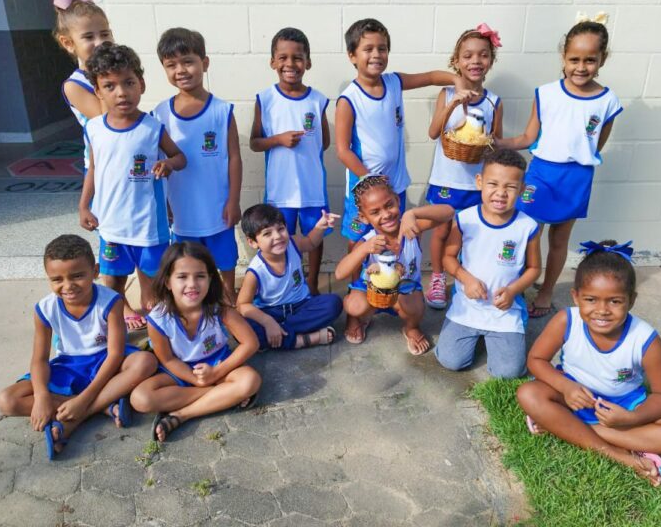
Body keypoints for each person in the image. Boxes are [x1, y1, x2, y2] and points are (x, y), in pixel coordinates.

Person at [517, 241, 661, 486]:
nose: (601, 310)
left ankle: (562, 426)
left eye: (614, 301)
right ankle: (619, 454)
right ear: (576, 297)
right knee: (529, 393)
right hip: (573, 396)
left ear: (631, 300)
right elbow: (536, 360)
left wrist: (631, 419)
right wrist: (565, 387)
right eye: (591, 299)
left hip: (625, 405)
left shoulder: (645, 339)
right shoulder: (566, 320)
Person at [497, 14, 622, 319]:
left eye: (590, 60)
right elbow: (529, 136)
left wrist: (578, 159)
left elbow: (595, 144)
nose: (581, 67)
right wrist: (497, 143)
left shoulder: (607, 101)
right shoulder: (546, 93)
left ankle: (546, 289)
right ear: (563, 57)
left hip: (576, 178)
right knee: (526, 232)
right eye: (574, 59)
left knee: (559, 240)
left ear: (602, 59)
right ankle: (512, 284)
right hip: (541, 173)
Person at [0, 235, 158, 460]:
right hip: (68, 365)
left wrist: (83, 401)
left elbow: (115, 354)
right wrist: (42, 397)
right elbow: (39, 360)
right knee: (7, 400)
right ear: (48, 278)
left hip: (104, 361)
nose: (68, 286)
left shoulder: (111, 301)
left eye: (78, 276)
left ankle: (78, 416)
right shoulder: (44, 309)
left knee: (145, 361)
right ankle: (104, 407)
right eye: (57, 279)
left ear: (95, 271)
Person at [335, 18, 465, 271]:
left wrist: (456, 80)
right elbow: (343, 150)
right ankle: (357, 286)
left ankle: (393, 280)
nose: (376, 55)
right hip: (364, 188)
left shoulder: (394, 82)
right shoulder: (348, 100)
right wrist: (370, 179)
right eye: (368, 49)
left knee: (396, 235)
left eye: (382, 48)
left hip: (395, 183)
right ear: (352, 56)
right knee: (358, 239)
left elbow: (429, 77)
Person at [79, 44, 187, 331]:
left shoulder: (152, 128)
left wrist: (168, 165)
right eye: (110, 86)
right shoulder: (94, 130)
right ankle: (114, 330)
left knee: (154, 288)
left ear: (141, 83)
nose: (121, 92)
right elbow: (93, 170)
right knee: (112, 282)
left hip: (149, 227)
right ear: (98, 91)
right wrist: (83, 206)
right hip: (111, 226)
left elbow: (180, 157)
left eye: (128, 83)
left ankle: (158, 334)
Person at [130, 242, 261, 442]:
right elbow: (167, 359)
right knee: (140, 398)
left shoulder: (220, 309)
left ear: (210, 279)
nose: (192, 284)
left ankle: (181, 415)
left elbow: (251, 343)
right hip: (180, 372)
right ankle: (221, 396)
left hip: (219, 366)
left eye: (200, 276)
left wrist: (216, 373)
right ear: (167, 282)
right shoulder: (158, 318)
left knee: (250, 380)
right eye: (182, 277)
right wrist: (196, 380)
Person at [153, 28, 242, 304]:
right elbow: (160, 165)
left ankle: (228, 294)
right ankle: (194, 299)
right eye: (171, 65)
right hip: (182, 208)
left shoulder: (222, 110)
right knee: (187, 258)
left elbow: (235, 158)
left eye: (188, 61)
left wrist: (234, 200)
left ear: (204, 62)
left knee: (225, 258)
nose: (181, 70)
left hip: (217, 205)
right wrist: (164, 203)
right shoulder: (160, 114)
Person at [435, 149, 541, 377]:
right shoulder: (465, 219)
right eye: (493, 184)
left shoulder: (528, 226)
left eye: (510, 187)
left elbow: (534, 268)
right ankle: (471, 334)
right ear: (480, 182)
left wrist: (513, 291)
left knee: (508, 373)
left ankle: (501, 337)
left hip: (504, 309)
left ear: (521, 190)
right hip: (468, 305)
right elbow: (448, 258)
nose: (501, 193)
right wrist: (467, 279)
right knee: (451, 360)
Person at [425, 24, 504, 310]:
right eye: (468, 56)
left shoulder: (495, 101)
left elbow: (496, 142)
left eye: (483, 55)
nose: (475, 61)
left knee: (471, 234)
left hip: (476, 183)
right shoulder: (446, 94)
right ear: (456, 61)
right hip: (446, 180)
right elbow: (434, 132)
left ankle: (463, 278)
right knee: (442, 232)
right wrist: (453, 104)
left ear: (491, 61)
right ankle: (436, 278)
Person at [250, 27, 331, 295]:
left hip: (312, 189)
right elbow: (255, 142)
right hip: (280, 191)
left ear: (308, 62)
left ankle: (312, 284)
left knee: (315, 238)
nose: (290, 64)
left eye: (297, 58)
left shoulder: (318, 100)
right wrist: (278, 139)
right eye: (282, 57)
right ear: (273, 61)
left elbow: (325, 142)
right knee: (278, 240)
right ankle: (285, 284)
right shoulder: (266, 99)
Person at [334, 175, 454, 355]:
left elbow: (448, 211)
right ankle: (356, 318)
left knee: (415, 307)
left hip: (404, 291)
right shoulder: (368, 241)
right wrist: (364, 249)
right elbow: (339, 274)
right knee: (355, 306)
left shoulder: (412, 228)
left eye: (389, 205)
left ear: (397, 200)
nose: (386, 214)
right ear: (364, 218)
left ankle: (411, 328)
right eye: (375, 212)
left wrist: (412, 213)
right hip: (373, 292)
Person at [236, 204, 343, 350]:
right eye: (267, 234)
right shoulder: (255, 272)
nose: (278, 236)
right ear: (253, 242)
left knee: (333, 304)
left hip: (301, 306)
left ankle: (280, 335)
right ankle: (302, 340)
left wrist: (320, 226)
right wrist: (268, 321)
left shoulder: (294, 243)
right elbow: (242, 305)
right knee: (242, 330)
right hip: (272, 311)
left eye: (281, 229)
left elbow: (311, 242)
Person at [51, 0, 113, 173]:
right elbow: (109, 122)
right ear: (68, 43)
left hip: (129, 156)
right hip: (102, 167)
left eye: (104, 34)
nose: (100, 42)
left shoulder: (118, 72)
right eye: (88, 37)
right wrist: (104, 75)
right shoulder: (74, 86)